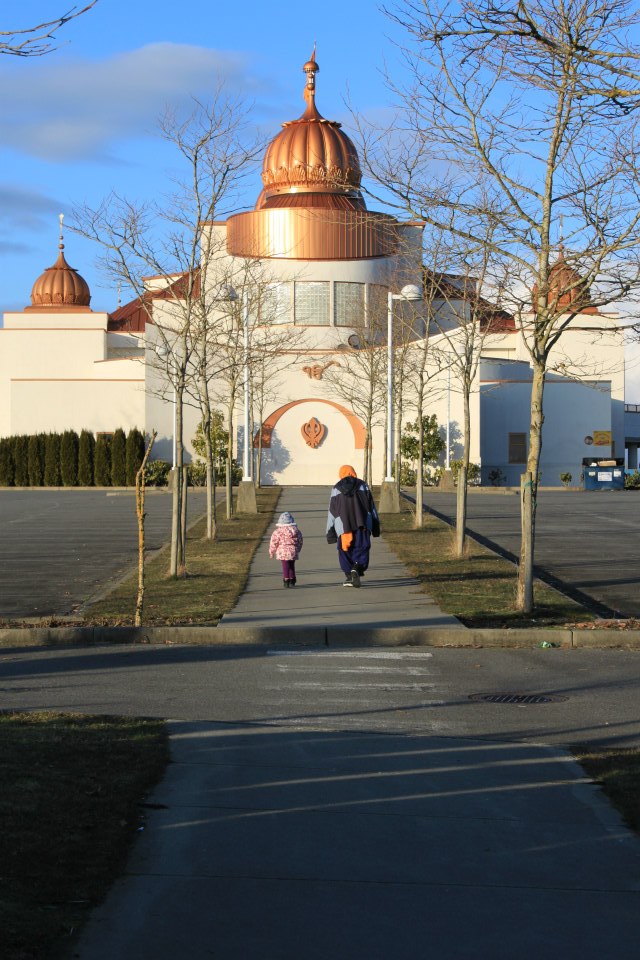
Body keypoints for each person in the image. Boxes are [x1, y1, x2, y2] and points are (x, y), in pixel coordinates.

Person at [326, 465, 380, 587]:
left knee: (344, 550)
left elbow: (332, 512)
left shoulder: (336, 488)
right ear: (353, 473)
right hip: (362, 524)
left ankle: (349, 574)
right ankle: (357, 568)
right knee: (362, 547)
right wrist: (376, 526)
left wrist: (330, 532)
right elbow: (371, 507)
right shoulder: (363, 485)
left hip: (343, 527)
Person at [269, 511, 304, 587]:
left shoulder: (278, 531)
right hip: (292, 550)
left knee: (285, 564)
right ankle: (292, 579)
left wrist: (272, 552)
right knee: (291, 564)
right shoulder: (296, 531)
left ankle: (286, 579)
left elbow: (274, 542)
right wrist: (298, 549)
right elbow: (300, 540)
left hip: (282, 551)